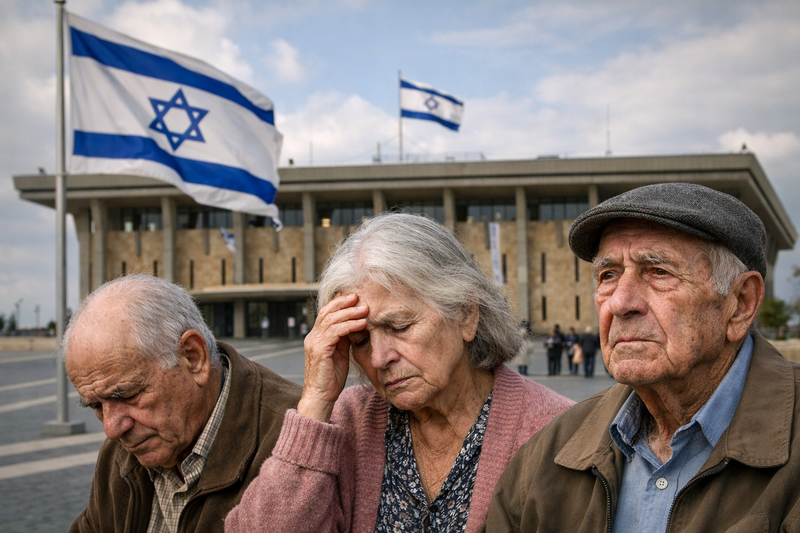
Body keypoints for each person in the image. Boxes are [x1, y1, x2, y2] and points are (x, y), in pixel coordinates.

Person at [481, 183, 800, 532]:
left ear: (740, 304)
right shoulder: (549, 453)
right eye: (608, 276)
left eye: (658, 272)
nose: (620, 302)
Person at [226, 213, 573, 533]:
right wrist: (315, 405)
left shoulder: (554, 430)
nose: (378, 358)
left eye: (400, 326)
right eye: (359, 340)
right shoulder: (346, 422)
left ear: (466, 314)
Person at [63, 274, 302, 533]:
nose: (111, 429)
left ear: (193, 358)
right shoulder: (117, 456)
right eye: (96, 406)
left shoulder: (299, 437)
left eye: (126, 395)